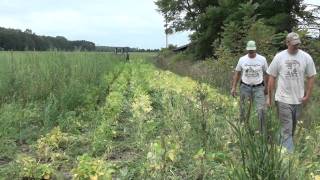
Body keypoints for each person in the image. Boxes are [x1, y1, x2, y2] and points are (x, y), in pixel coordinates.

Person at [266, 32, 317, 153]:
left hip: (298, 99)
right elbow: (272, 77)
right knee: (287, 128)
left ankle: (277, 145)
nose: (296, 46)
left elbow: (311, 77)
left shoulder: (306, 57)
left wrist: (307, 95)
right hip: (282, 98)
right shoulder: (279, 57)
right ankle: (289, 158)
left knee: (292, 129)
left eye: (298, 44)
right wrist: (269, 97)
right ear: (287, 43)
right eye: (294, 44)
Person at [231, 40, 268, 133]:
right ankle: (243, 131)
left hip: (259, 87)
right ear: (247, 50)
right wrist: (233, 87)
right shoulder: (242, 59)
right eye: (249, 50)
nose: (251, 52)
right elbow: (237, 73)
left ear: (255, 49)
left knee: (261, 110)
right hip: (245, 87)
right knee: (244, 110)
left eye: (252, 50)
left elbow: (266, 74)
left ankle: (262, 133)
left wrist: (266, 87)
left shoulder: (262, 59)